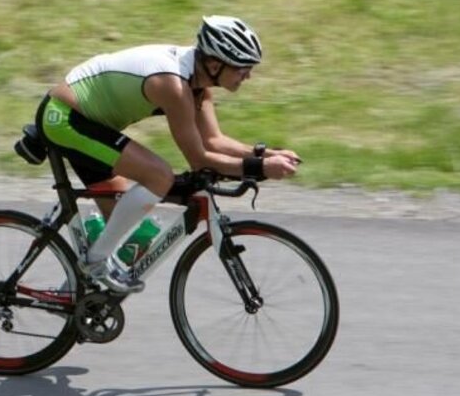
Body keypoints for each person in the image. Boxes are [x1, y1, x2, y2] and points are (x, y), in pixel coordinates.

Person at [36, 15, 301, 294]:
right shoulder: (173, 85)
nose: (248, 75)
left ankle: (72, 295)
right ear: (215, 64)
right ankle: (94, 264)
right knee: (158, 175)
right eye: (243, 68)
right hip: (64, 118)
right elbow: (199, 159)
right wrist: (260, 169)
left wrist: (266, 154)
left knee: (121, 218)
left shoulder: (198, 85)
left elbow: (214, 141)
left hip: (91, 123)